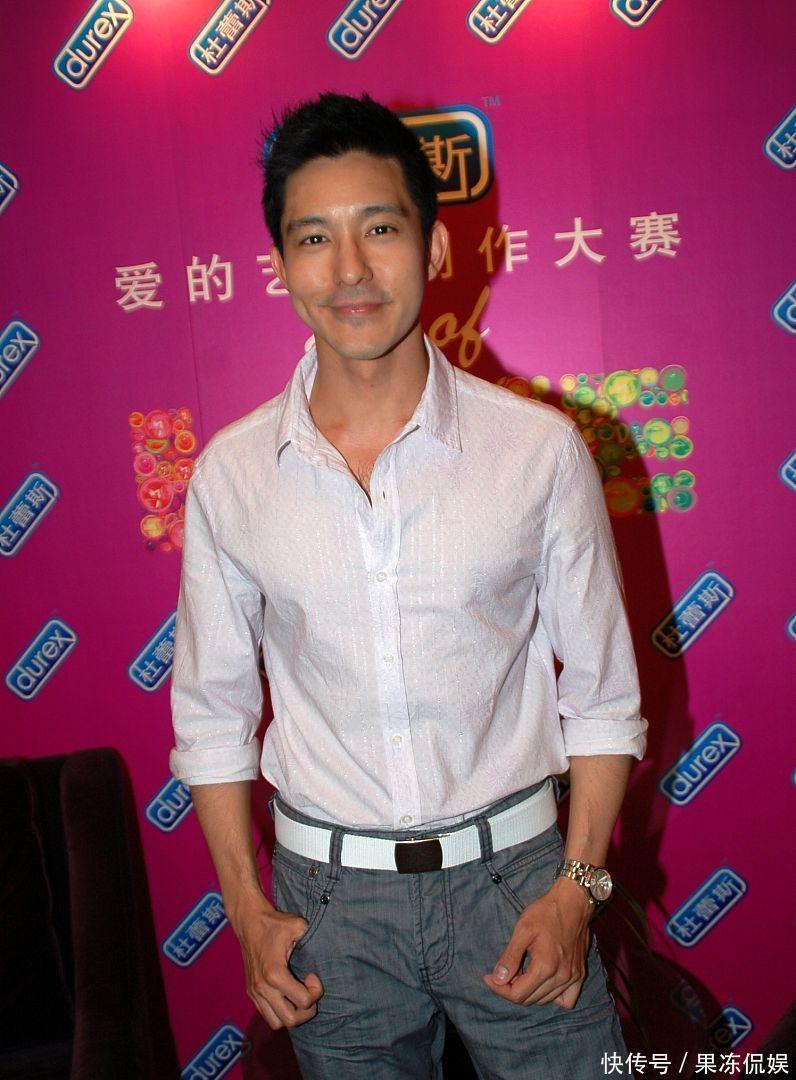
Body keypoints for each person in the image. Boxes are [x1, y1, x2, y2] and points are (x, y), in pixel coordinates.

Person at [169, 91, 648, 1079]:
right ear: (280, 265)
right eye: (314, 238)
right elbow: (213, 717)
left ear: (434, 247)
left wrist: (577, 891)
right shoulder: (231, 476)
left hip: (520, 886)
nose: (349, 270)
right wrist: (246, 910)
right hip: (327, 912)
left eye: (379, 229)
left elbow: (604, 702)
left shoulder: (538, 452)